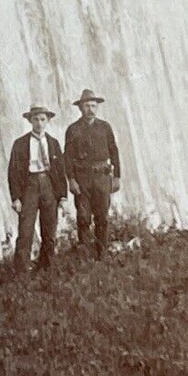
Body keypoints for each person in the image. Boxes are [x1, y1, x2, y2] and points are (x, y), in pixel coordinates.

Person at [7, 105, 68, 273]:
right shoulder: (20, 144)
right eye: (36, 119)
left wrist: (62, 196)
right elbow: (13, 171)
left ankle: (46, 268)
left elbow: (60, 170)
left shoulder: (53, 143)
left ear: (48, 121)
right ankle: (21, 272)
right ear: (30, 121)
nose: (39, 124)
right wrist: (16, 198)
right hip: (30, 187)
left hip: (48, 185)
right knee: (25, 230)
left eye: (43, 119)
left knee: (49, 229)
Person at [63, 88, 121, 258]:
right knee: (83, 217)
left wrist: (117, 176)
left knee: (102, 217)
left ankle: (101, 255)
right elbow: (67, 157)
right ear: (80, 108)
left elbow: (114, 151)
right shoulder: (73, 129)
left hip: (102, 177)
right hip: (82, 179)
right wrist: (71, 180)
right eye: (87, 106)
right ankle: (84, 255)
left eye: (93, 106)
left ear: (97, 107)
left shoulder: (105, 127)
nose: (90, 109)